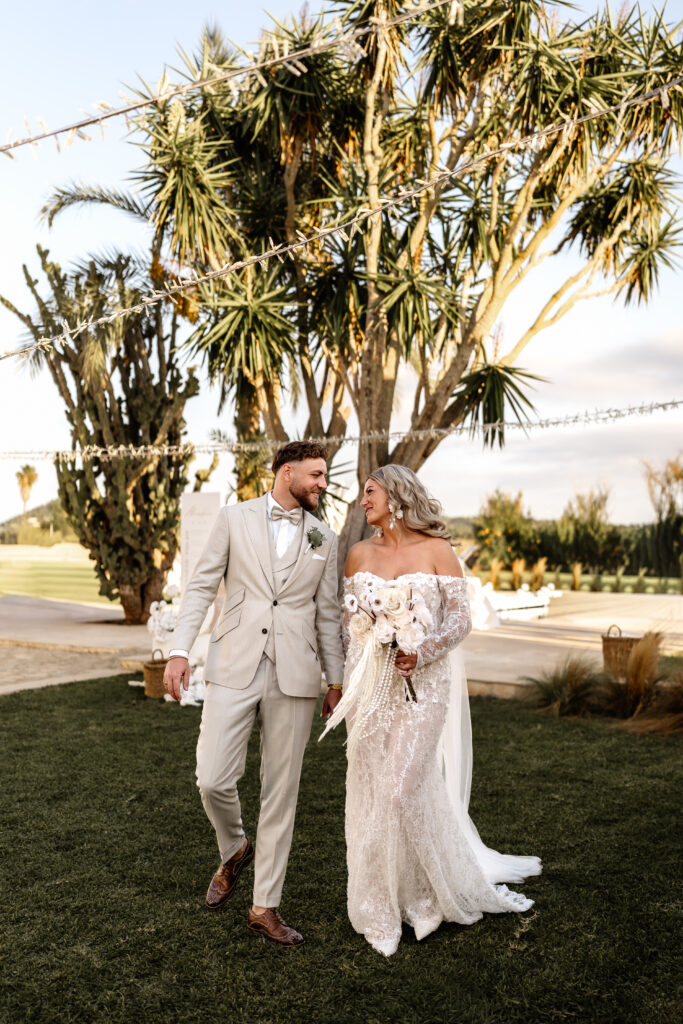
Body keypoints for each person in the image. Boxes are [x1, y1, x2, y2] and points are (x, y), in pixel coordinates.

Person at [322, 464, 541, 957]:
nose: (363, 501)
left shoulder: (439, 551)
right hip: (368, 688)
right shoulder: (357, 553)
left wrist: (421, 651)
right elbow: (343, 625)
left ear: (397, 496)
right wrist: (335, 683)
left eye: (370, 492)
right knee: (372, 791)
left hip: (423, 685)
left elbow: (461, 620)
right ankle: (377, 905)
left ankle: (426, 899)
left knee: (402, 790)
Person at [164, 441, 344, 947]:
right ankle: (235, 846)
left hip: (296, 673)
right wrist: (181, 651)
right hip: (233, 662)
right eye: (316, 474)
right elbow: (201, 586)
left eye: (325, 475)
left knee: (281, 791)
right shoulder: (232, 518)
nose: (322, 484)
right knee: (211, 776)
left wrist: (335, 681)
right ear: (286, 473)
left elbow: (327, 614)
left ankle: (265, 905)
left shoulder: (323, 537)